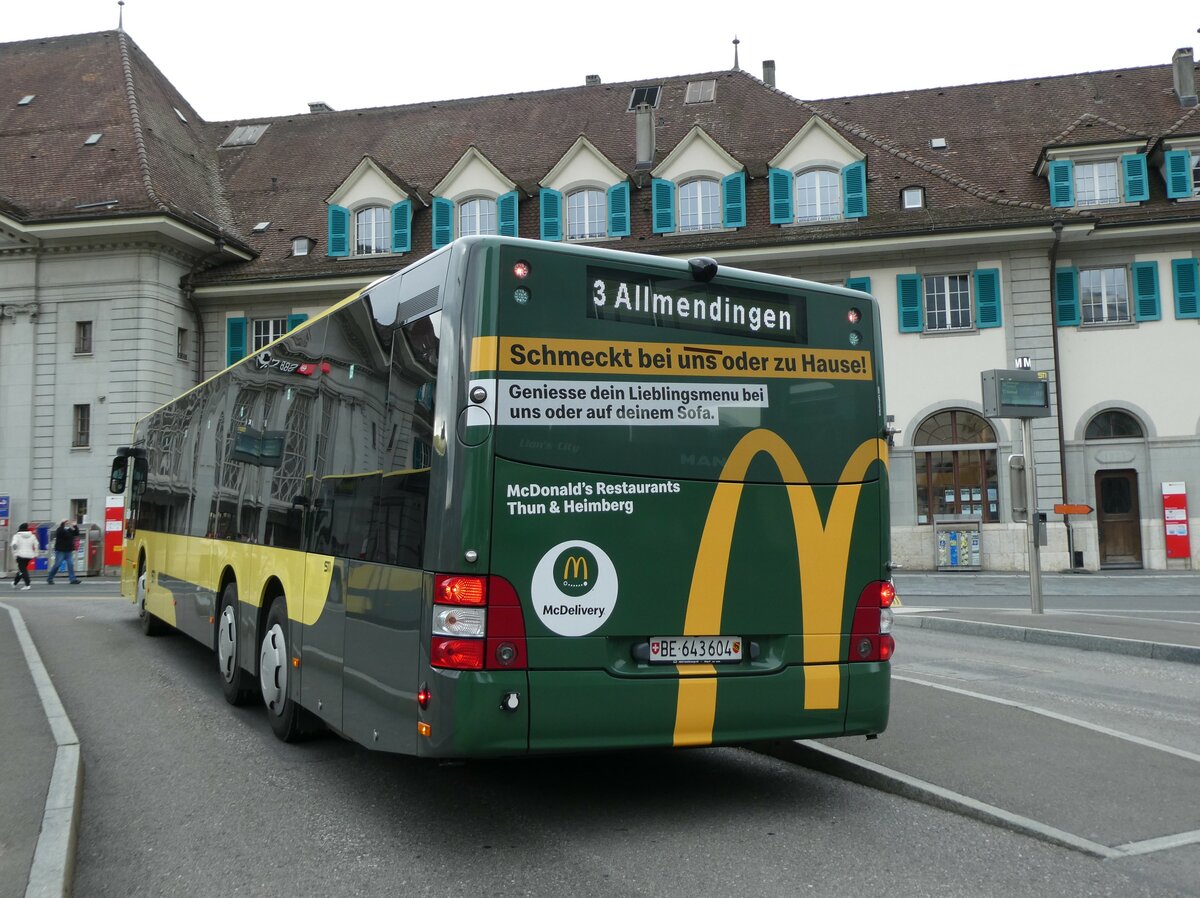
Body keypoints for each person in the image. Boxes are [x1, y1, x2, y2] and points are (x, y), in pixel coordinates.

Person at [46, 518, 81, 585]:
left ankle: (73, 579)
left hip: (68, 551)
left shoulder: (69, 531)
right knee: (57, 565)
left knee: (70, 564)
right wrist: (62, 523)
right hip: (60, 550)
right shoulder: (60, 530)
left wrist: (74, 526)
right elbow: (60, 532)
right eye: (66, 523)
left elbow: (76, 533)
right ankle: (50, 578)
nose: (67, 523)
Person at [10, 523, 38, 590]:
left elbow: (14, 545)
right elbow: (37, 544)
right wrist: (36, 553)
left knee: (23, 570)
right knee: (21, 570)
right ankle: (15, 583)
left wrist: (15, 553)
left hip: (20, 555)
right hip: (29, 555)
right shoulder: (32, 536)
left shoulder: (17, 536)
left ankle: (27, 584)